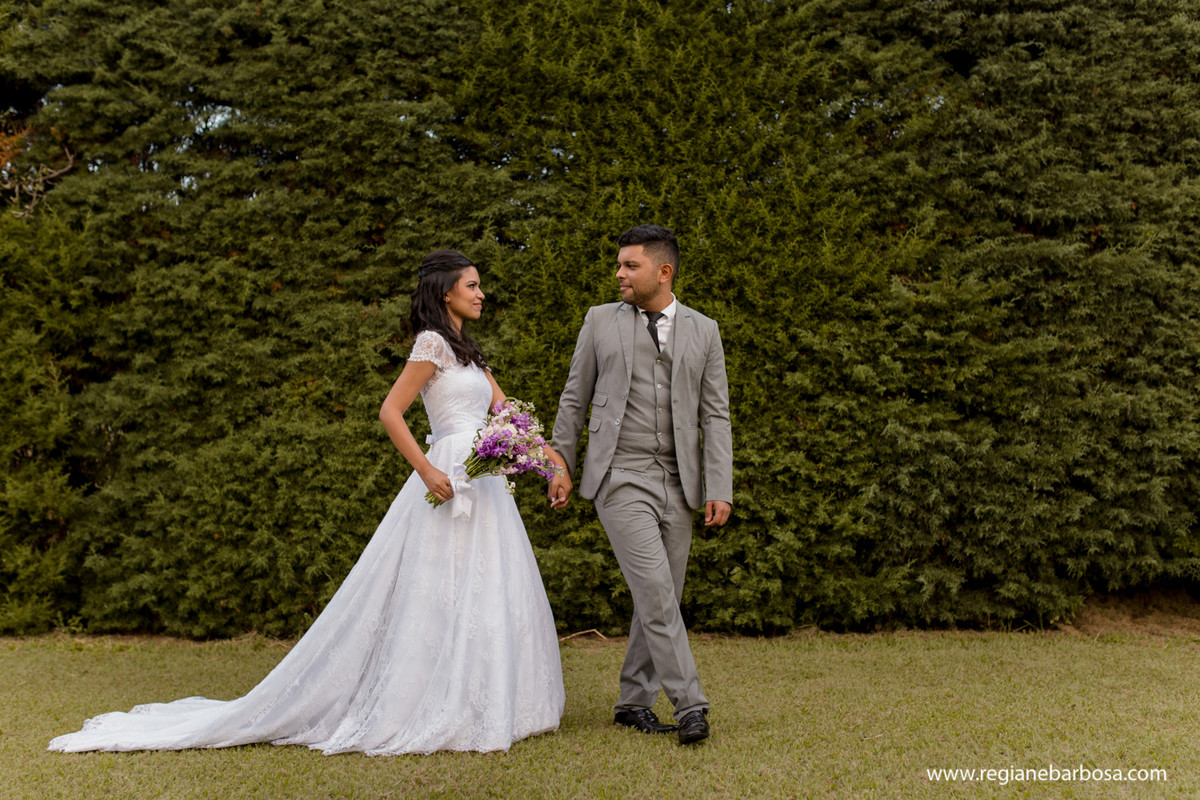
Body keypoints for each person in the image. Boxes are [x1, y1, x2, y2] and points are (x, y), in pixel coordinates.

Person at [48, 249, 565, 755]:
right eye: (471, 285)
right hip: (447, 472)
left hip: (484, 481)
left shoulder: (468, 351)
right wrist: (426, 469)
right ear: (445, 291)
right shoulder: (430, 343)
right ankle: (428, 699)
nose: (481, 293)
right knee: (438, 589)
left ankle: (486, 701)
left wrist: (553, 463)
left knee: (485, 587)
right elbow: (390, 411)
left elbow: (509, 415)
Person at [548, 224, 732, 745]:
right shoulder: (600, 320)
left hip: (680, 481)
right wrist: (558, 463)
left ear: (663, 271)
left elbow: (716, 416)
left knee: (663, 595)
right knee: (655, 592)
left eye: (630, 266)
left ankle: (633, 701)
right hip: (619, 476)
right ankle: (691, 704)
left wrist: (720, 484)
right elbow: (573, 398)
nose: (619, 274)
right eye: (620, 265)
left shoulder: (705, 330)